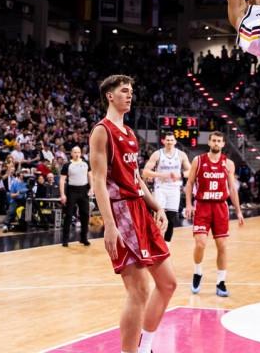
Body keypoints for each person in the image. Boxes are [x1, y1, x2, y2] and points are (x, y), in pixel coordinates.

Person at [89, 75, 176, 353]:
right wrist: (110, 226)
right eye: (124, 91)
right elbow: (99, 181)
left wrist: (157, 206)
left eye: (131, 91)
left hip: (140, 208)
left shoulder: (128, 133)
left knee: (168, 284)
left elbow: (136, 177)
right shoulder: (102, 131)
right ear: (109, 96)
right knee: (138, 291)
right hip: (121, 212)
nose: (130, 95)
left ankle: (145, 346)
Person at [184, 131, 245, 297]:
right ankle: (197, 273)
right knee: (200, 244)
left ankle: (221, 282)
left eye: (219, 141)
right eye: (214, 141)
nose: (216, 143)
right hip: (202, 206)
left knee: (222, 246)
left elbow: (232, 189)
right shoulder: (199, 160)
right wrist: (189, 204)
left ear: (223, 144)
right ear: (209, 143)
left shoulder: (228, 164)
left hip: (220, 207)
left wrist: (238, 211)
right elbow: (189, 184)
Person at [142, 132, 192, 246]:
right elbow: (145, 172)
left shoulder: (181, 154)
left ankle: (166, 247)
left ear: (175, 142)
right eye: (167, 140)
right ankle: (154, 243)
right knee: (159, 218)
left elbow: (191, 171)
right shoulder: (157, 154)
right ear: (163, 141)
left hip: (174, 189)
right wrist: (161, 175)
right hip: (161, 188)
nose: (169, 142)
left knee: (171, 219)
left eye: (171, 140)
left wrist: (180, 174)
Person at [60, 145, 92, 247]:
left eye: (78, 152)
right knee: (68, 215)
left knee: (85, 214)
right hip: (71, 190)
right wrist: (62, 194)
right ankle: (65, 240)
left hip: (83, 190)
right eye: (75, 152)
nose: (77, 154)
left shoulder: (86, 163)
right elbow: (62, 180)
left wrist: (92, 188)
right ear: (71, 153)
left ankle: (84, 238)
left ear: (80, 153)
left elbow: (90, 176)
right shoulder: (67, 165)